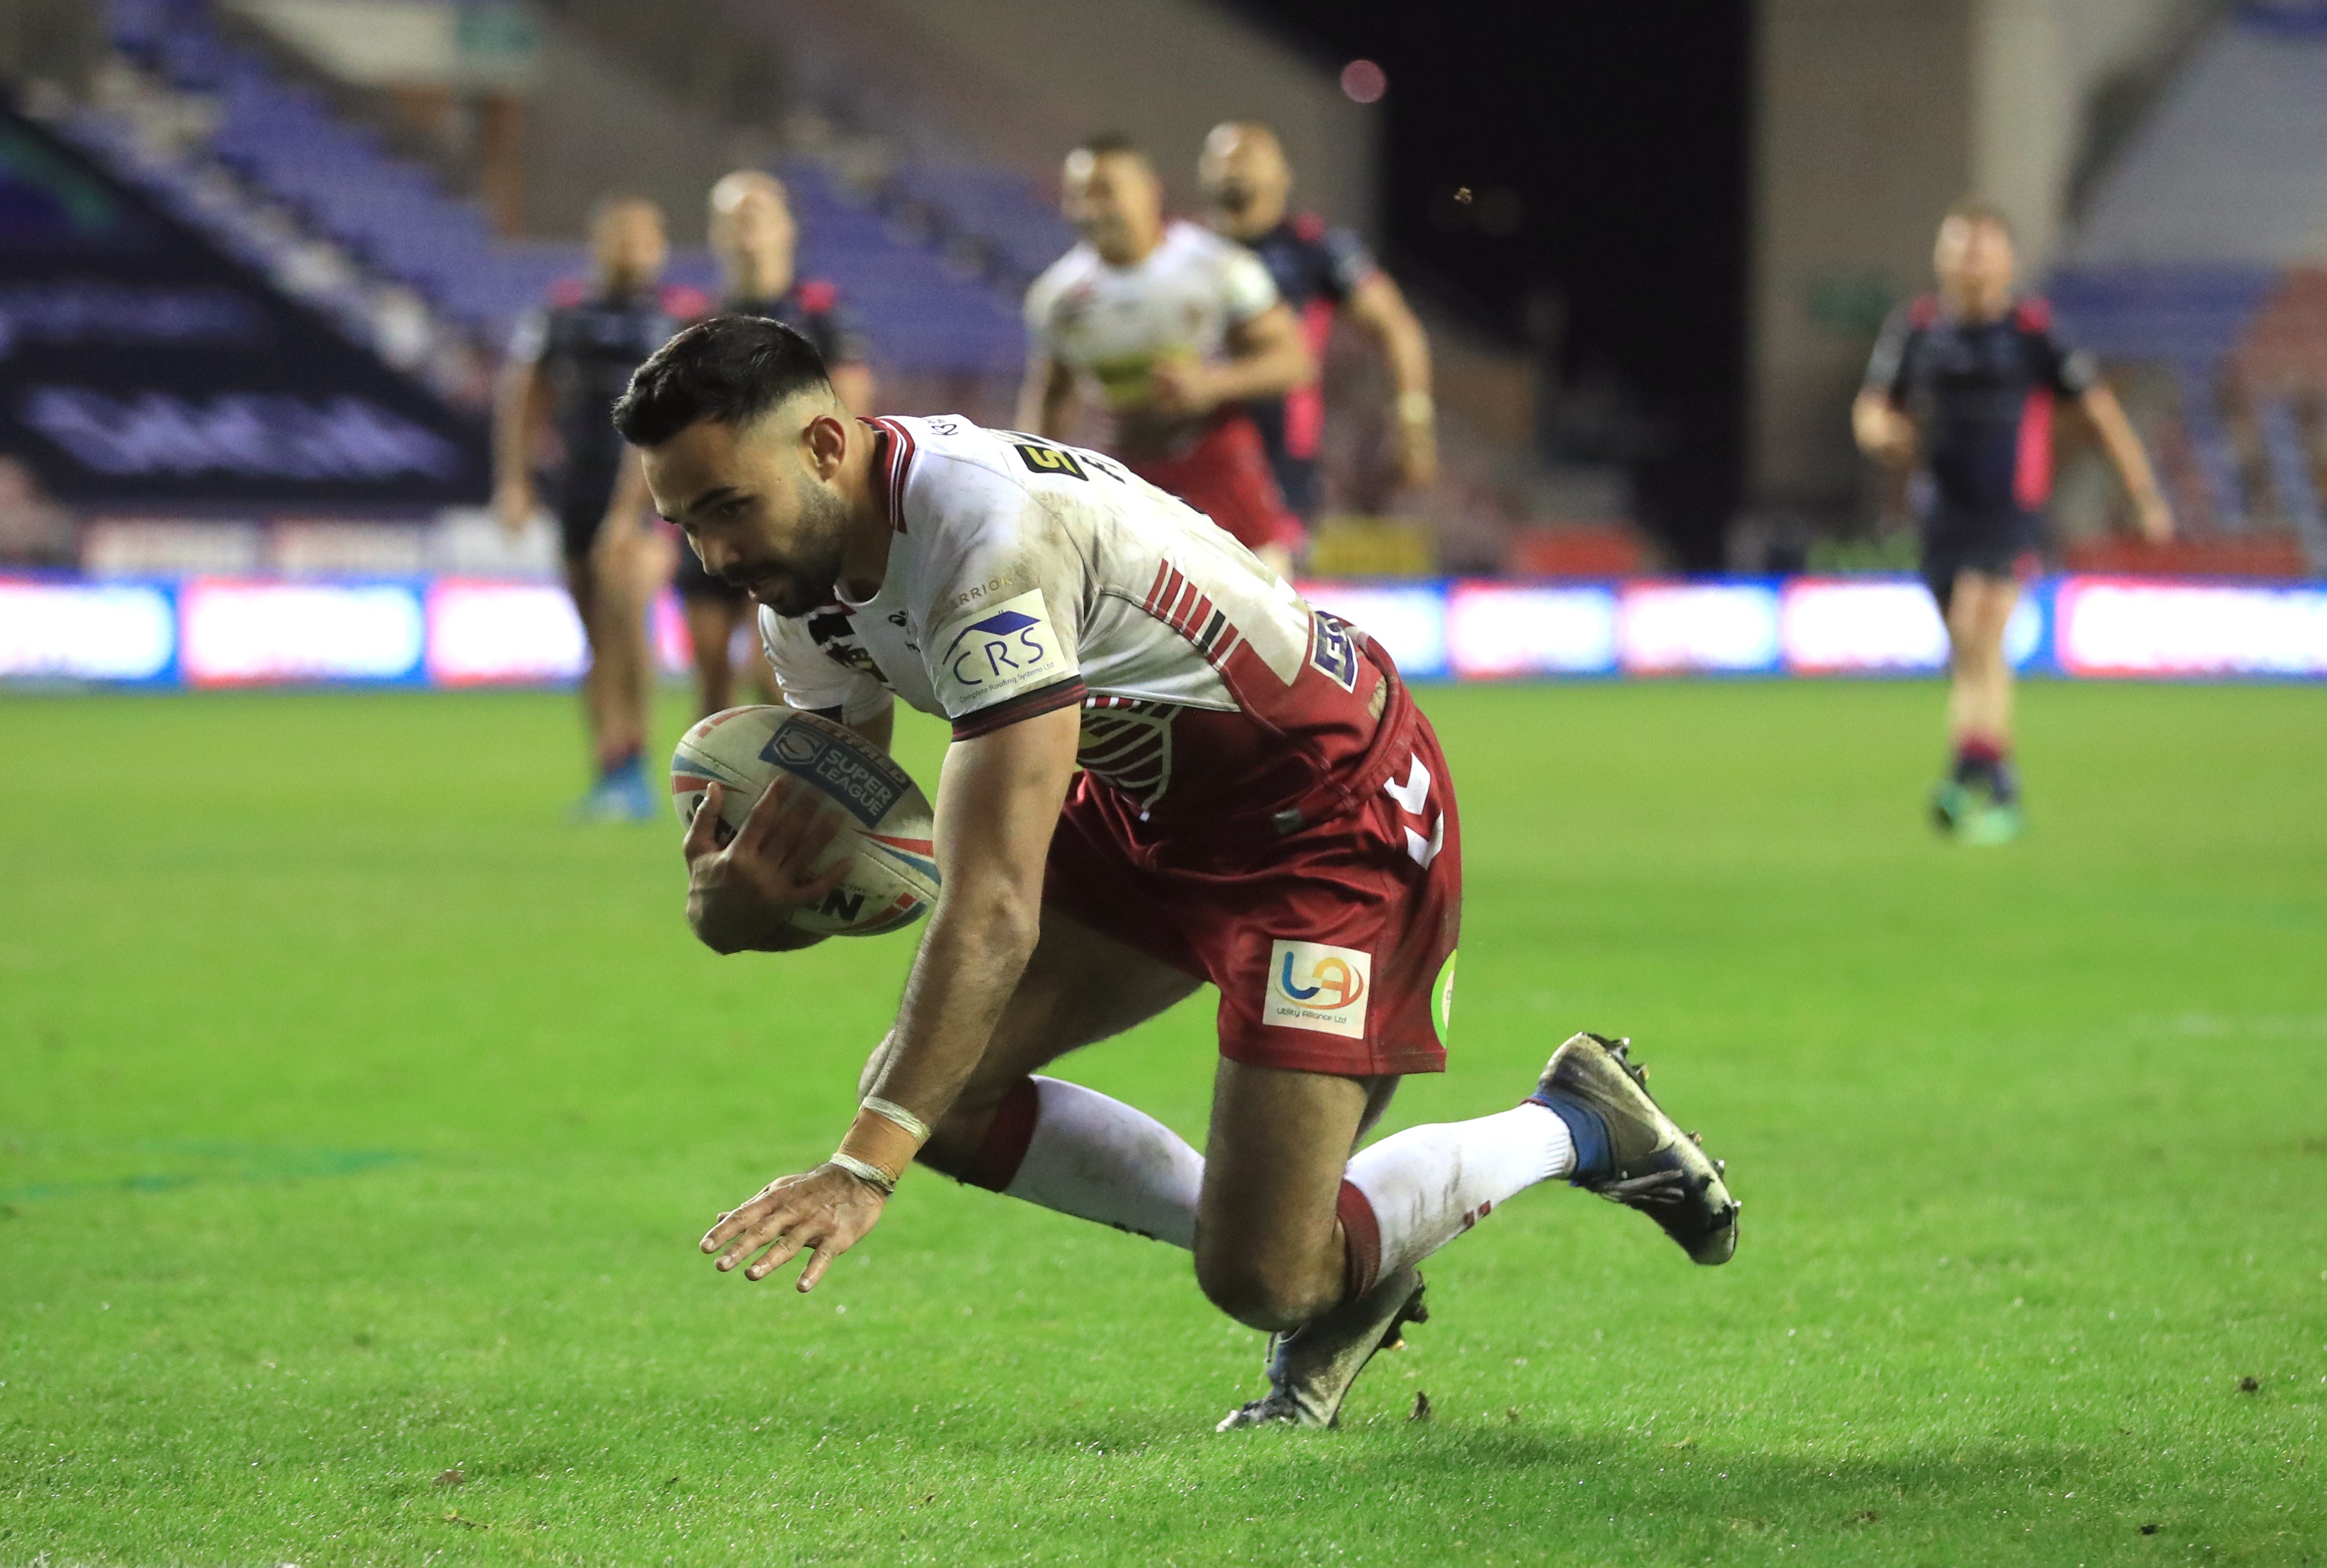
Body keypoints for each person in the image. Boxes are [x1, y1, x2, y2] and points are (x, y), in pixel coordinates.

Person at [612, 316, 1739, 1430]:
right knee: (939, 1097)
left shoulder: (983, 538)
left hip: (1324, 813)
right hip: (1146, 803)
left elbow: (992, 905)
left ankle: (1573, 1122)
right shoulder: (802, 580)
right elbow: (862, 843)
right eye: (685, 522)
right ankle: (1344, 1247)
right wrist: (747, 906)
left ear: (820, 447)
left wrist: (861, 1168)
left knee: (1261, 1282)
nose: (714, 555)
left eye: (726, 508)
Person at [1854, 198, 2172, 844]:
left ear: (2006, 262)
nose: (1970, 260)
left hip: (2010, 512)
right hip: (1941, 515)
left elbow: (2100, 413)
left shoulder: (2031, 333)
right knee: (1972, 654)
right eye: (1959, 247)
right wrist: (1881, 434)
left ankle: (1980, 778)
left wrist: (2142, 493)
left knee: (1980, 620)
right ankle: (1983, 775)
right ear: (1941, 258)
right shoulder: (1915, 329)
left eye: (1982, 248)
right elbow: (1871, 408)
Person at [1020, 134, 1316, 579]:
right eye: (1078, 194)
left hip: (1219, 469)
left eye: (1104, 191)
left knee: (1275, 622)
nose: (1091, 208)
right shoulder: (1057, 298)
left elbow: (1295, 361)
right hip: (1125, 479)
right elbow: (1052, 394)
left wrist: (1213, 383)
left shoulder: (1218, 266)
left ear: (1148, 190)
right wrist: (1030, 487)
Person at [494, 195, 699, 819]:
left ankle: (636, 762)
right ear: (599, 244)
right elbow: (525, 392)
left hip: (651, 497)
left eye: (644, 239)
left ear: (660, 247)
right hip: (576, 491)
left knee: (627, 619)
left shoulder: (680, 316)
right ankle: (609, 768)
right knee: (596, 637)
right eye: (622, 239)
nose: (633, 251)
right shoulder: (562, 311)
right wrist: (516, 480)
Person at [675, 170, 878, 717]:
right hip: (708, 510)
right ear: (715, 233)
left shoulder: (820, 311)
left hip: (781, 509)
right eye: (732, 219)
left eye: (757, 215)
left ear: (786, 228)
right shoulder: (694, 320)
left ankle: (819, 785)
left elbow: (849, 411)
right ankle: (722, 794)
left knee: (769, 667)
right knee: (710, 667)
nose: (745, 230)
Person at [1199, 121, 1438, 516]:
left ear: (1283, 174)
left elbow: (1397, 327)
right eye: (1219, 157)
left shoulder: (1314, 249)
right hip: (1191, 457)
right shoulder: (1183, 252)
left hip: (1280, 463)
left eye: (1248, 154)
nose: (1232, 165)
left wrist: (1413, 423)